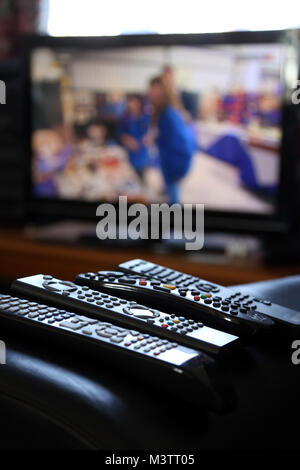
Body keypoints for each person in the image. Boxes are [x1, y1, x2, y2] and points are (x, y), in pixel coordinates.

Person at [148, 76, 196, 203]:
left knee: (174, 198)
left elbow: (183, 144)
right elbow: (166, 136)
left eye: (153, 89)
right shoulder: (164, 112)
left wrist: (180, 170)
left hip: (173, 166)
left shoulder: (169, 113)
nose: (150, 93)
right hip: (167, 162)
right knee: (171, 193)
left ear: (162, 90)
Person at [118, 95, 150, 181]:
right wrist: (127, 139)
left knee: (140, 178)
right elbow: (120, 133)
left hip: (142, 152)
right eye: (130, 102)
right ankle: (126, 195)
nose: (132, 105)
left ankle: (141, 192)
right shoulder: (124, 118)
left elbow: (151, 132)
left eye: (135, 103)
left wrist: (148, 138)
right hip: (128, 153)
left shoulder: (145, 117)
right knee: (128, 177)